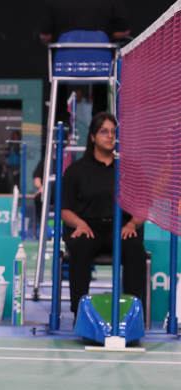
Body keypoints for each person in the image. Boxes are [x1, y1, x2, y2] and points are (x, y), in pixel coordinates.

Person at [61, 112, 146, 321]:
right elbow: (64, 210)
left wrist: (132, 224)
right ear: (92, 137)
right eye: (104, 131)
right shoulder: (76, 171)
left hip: (121, 228)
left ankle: (131, 316)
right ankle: (80, 315)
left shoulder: (130, 169)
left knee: (136, 250)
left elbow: (143, 207)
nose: (110, 136)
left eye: (114, 132)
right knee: (79, 248)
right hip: (88, 228)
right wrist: (79, 223)